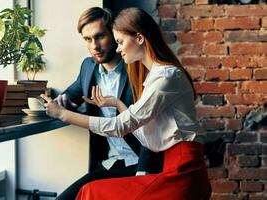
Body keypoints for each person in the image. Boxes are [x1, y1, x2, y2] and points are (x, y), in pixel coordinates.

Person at [42, 7, 211, 200]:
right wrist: (116, 103)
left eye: (120, 42)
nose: (118, 48)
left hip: (180, 172)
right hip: (171, 167)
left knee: (90, 192)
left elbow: (120, 126)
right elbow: (139, 127)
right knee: (88, 191)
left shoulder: (165, 77)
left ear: (139, 38)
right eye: (87, 39)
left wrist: (63, 115)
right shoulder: (156, 76)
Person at [54, 7, 163, 200]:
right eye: (87, 39)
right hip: (109, 163)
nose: (94, 46)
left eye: (99, 36)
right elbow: (72, 93)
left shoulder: (140, 70)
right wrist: (63, 101)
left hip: (140, 163)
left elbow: (150, 126)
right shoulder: (88, 67)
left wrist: (143, 174)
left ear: (114, 34)